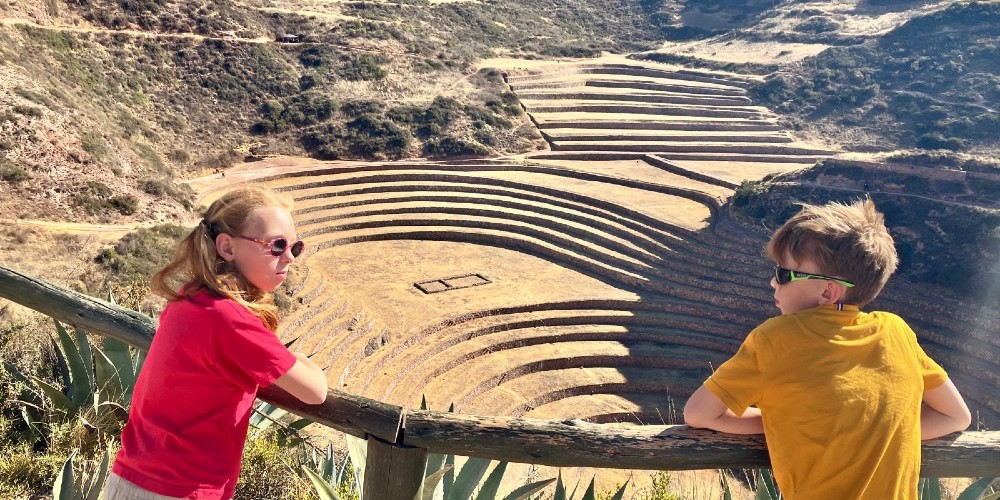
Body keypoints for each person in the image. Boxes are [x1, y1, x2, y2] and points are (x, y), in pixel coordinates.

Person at [683, 199, 971, 499]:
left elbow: (699, 413)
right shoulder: (896, 332)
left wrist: (783, 421)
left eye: (784, 274)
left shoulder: (774, 339)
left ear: (827, 291)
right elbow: (956, 416)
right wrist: (871, 435)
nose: (772, 282)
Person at [104, 186, 329, 500]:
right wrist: (302, 358)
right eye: (276, 245)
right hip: (182, 489)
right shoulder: (231, 320)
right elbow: (315, 391)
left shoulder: (188, 299)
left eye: (295, 246)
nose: (289, 257)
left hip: (129, 479)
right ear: (227, 247)